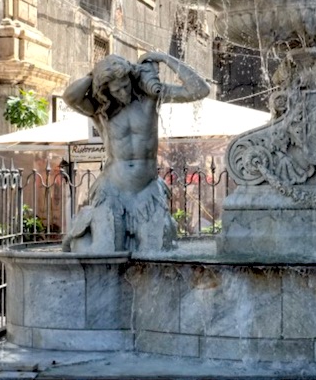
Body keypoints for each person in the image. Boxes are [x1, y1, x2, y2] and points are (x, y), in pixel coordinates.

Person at [61, 52, 209, 252]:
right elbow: (70, 96)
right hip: (112, 190)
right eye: (117, 89)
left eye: (125, 85)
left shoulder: (150, 98)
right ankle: (82, 236)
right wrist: (97, 73)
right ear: (106, 90)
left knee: (155, 255)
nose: (123, 92)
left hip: (147, 191)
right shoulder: (101, 110)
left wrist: (164, 58)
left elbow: (199, 90)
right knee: (107, 252)